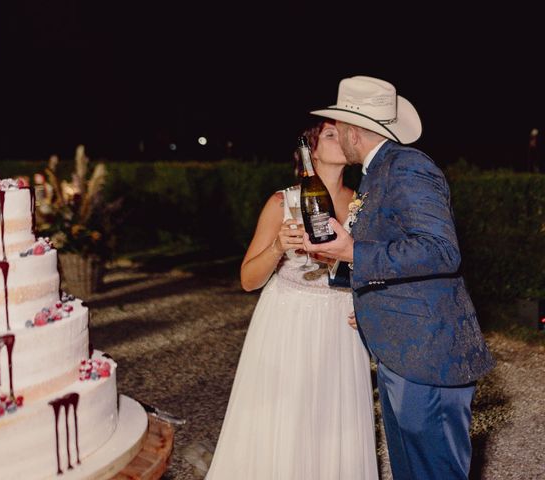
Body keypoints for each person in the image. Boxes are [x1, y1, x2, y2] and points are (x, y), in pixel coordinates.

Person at [304, 75, 496, 480]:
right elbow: (395, 250)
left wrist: (354, 251)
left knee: (435, 471)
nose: (339, 139)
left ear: (356, 131)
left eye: (341, 131)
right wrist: (362, 297)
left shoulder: (408, 166)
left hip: (428, 358)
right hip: (401, 351)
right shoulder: (377, 174)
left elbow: (440, 250)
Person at [206, 121, 378, 479]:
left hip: (340, 325)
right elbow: (248, 280)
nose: (343, 137)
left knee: (334, 422)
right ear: (311, 151)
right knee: (285, 420)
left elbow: (373, 266)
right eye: (331, 134)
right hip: (288, 322)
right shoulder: (281, 202)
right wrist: (278, 247)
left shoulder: (364, 202)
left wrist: (367, 307)